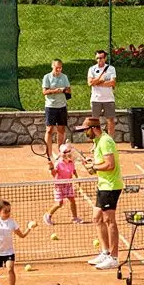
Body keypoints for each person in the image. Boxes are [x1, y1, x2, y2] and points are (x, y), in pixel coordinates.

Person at [80, 116, 123, 271]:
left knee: (109, 220)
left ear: (93, 128)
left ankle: (114, 258)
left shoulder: (105, 141)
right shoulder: (98, 141)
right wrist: (92, 164)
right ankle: (105, 252)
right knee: (97, 217)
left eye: (86, 130)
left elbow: (110, 165)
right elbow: (101, 165)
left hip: (110, 186)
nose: (85, 133)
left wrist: (94, 167)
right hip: (103, 185)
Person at [44, 142, 81, 226]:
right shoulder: (58, 163)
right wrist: (51, 168)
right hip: (59, 185)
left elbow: (73, 171)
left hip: (68, 185)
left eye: (68, 151)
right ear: (61, 154)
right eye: (65, 152)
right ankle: (47, 215)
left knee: (72, 200)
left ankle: (75, 218)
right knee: (59, 203)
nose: (67, 153)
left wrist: (77, 179)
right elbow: (54, 174)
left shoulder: (71, 162)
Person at [41, 57, 71, 159]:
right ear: (52, 66)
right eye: (57, 67)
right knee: (49, 130)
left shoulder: (64, 77)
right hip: (50, 106)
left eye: (60, 68)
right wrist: (55, 90)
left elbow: (69, 89)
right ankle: (49, 154)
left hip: (62, 106)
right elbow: (44, 92)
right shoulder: (47, 77)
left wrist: (64, 90)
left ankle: (60, 153)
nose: (59, 69)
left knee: (61, 129)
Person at [86, 48, 116, 137]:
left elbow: (112, 83)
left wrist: (97, 83)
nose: (99, 60)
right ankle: (97, 141)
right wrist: (101, 80)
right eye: (97, 58)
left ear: (105, 58)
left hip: (109, 99)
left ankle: (110, 141)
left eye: (101, 58)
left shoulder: (111, 69)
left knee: (110, 121)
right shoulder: (92, 69)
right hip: (96, 99)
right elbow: (90, 83)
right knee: (95, 122)